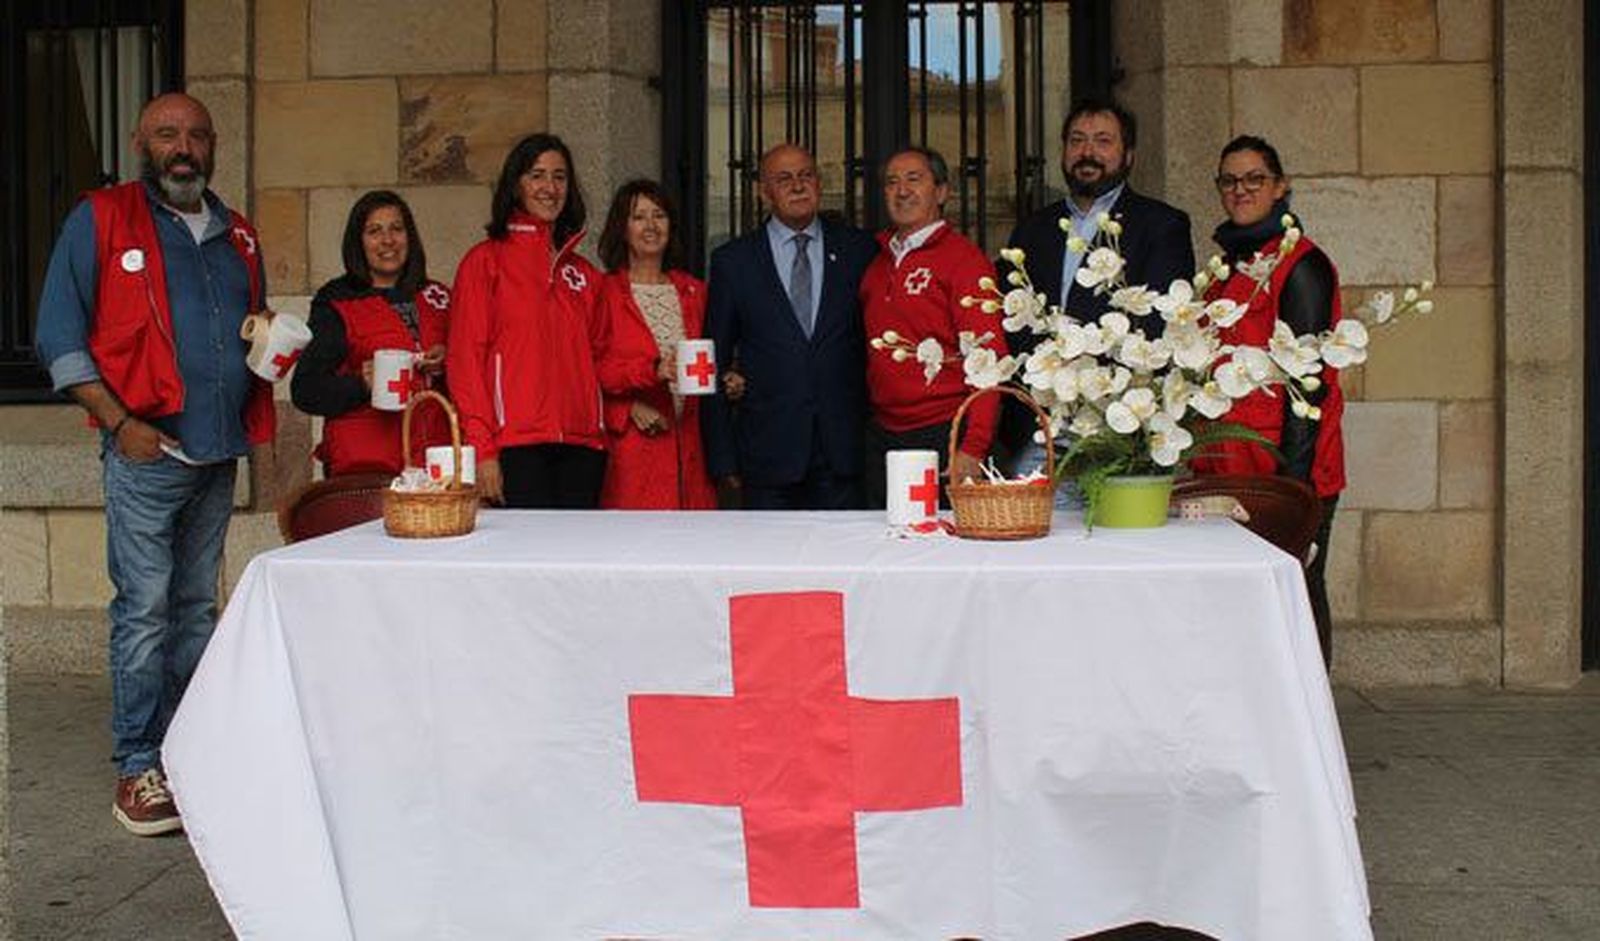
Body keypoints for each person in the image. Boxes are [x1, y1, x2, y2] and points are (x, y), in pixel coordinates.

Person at [33, 92, 273, 836]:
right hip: (146, 451)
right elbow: (57, 334)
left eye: (197, 136)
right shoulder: (100, 218)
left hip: (216, 450)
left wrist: (268, 344)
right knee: (144, 610)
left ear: (212, 147)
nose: (184, 147)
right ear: (141, 141)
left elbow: (245, 335)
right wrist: (118, 422)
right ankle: (137, 763)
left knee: (197, 609)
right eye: (168, 134)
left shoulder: (238, 234)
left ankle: (185, 754)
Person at [1192, 134, 1346, 668]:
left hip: (1281, 470)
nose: (1241, 190)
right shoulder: (1230, 266)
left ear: (1281, 188)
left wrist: (1292, 485)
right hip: (1229, 466)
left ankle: (1313, 723)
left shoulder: (1299, 265)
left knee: (1298, 592)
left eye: (1254, 179)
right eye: (1229, 180)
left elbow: (1308, 380)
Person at [999, 97, 1195, 473]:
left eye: (1103, 141)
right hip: (1039, 425)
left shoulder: (1162, 226)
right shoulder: (1033, 229)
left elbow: (1157, 327)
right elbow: (1013, 319)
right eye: (1076, 140)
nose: (1087, 152)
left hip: (1118, 423)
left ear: (1129, 155)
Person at [700, 143, 878, 509]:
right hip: (766, 456)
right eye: (784, 179)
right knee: (769, 566)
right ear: (764, 192)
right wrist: (722, 458)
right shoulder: (733, 262)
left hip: (843, 455)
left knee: (841, 565)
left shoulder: (859, 251)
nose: (798, 186)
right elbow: (711, 362)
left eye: (805, 175)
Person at [447, 133, 608, 508]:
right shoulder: (485, 262)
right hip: (515, 446)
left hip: (583, 446)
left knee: (576, 564)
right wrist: (483, 450)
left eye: (559, 177)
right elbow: (465, 362)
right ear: (516, 185)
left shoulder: (584, 273)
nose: (549, 187)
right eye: (537, 175)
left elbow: (603, 360)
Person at [860, 147, 1005, 506]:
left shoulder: (965, 261)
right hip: (883, 437)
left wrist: (973, 446)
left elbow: (989, 360)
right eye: (892, 182)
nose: (902, 190)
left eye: (914, 179)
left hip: (945, 436)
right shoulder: (876, 264)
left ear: (941, 192)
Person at [291, 190, 451, 476]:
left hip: (434, 465)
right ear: (358, 242)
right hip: (366, 468)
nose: (388, 240)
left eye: (396, 229)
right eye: (374, 231)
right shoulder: (337, 301)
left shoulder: (438, 296)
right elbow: (306, 391)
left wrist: (447, 362)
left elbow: (473, 376)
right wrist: (360, 384)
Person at [593, 179, 717, 509]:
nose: (651, 225)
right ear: (622, 228)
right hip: (636, 455)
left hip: (691, 452)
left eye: (659, 215)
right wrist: (630, 402)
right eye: (638, 216)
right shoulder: (603, 294)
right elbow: (591, 370)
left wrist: (728, 377)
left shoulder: (695, 292)